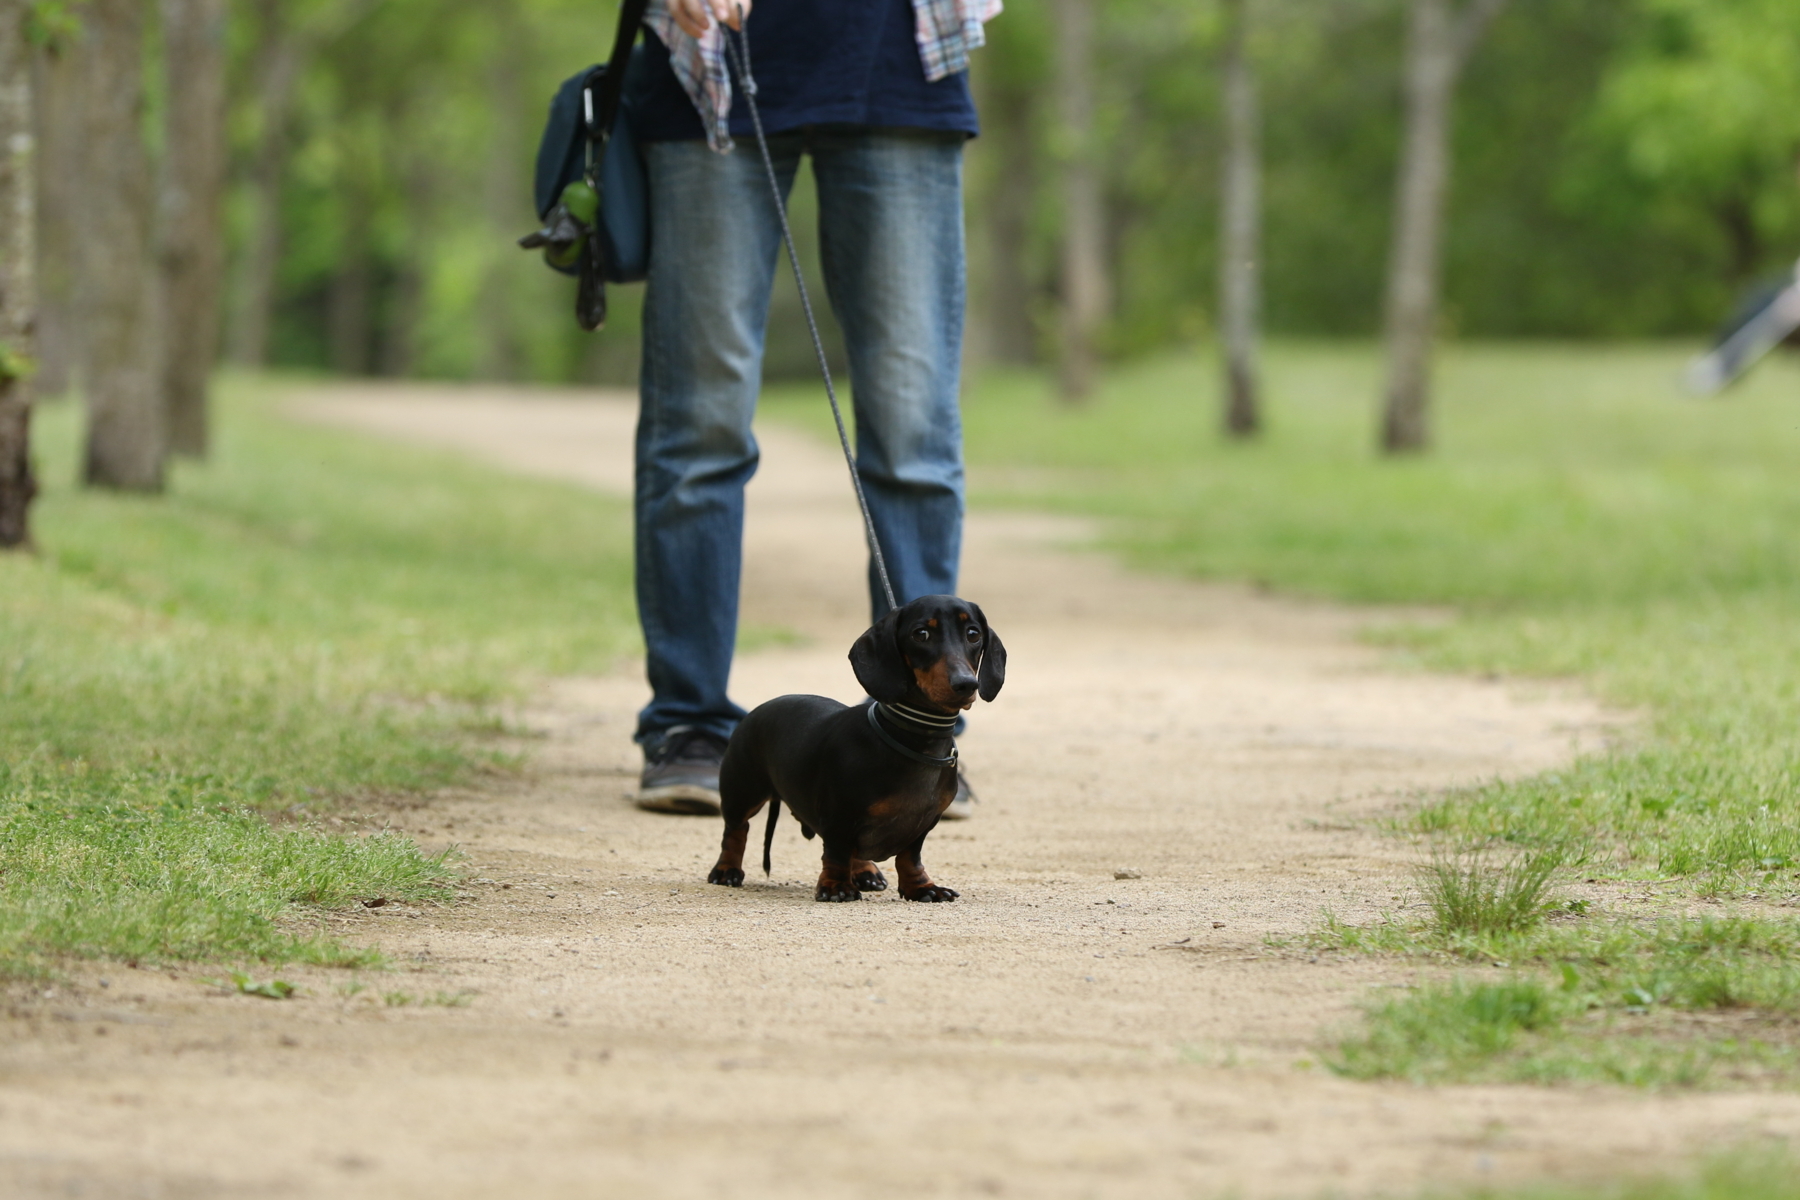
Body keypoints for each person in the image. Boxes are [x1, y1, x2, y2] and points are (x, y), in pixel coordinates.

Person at [627, 0, 999, 818]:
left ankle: (920, 727)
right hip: (707, 72)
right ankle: (688, 723)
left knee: (914, 433)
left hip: (897, 65)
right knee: (699, 422)